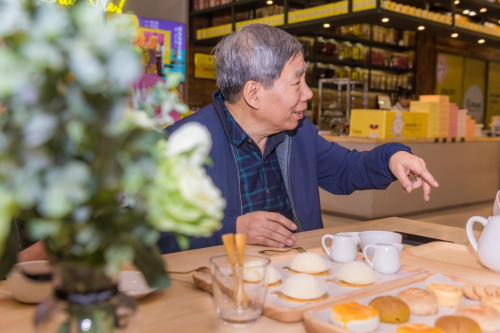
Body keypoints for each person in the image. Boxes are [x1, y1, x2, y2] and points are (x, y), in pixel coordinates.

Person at [159, 24, 439, 254]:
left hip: (301, 273)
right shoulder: (182, 145)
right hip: (224, 286)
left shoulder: (298, 132)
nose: (308, 93)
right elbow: (160, 237)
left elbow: (346, 170)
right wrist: (233, 229)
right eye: (297, 83)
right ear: (253, 94)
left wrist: (392, 156)